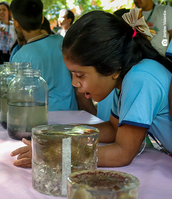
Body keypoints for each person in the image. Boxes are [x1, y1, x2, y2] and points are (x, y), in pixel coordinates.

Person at [10, 8, 172, 168]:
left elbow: (122, 153)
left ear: (111, 68)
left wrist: (52, 153)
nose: (74, 83)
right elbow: (114, 129)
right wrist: (62, 133)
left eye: (80, 75)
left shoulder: (140, 79)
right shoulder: (123, 78)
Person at [10, 0, 78, 112]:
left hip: (42, 117)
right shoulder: (61, 41)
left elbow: (17, 97)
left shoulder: (20, 56)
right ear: (42, 19)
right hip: (71, 112)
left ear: (16, 23)